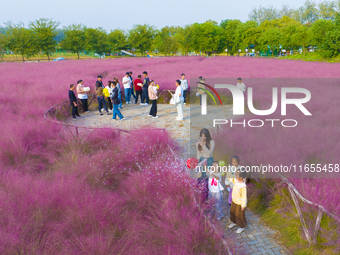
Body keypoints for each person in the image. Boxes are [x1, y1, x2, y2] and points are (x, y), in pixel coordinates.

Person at [228, 169, 248, 234]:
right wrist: (229, 173)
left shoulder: (243, 187)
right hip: (234, 201)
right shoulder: (236, 180)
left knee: (239, 215)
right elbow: (230, 178)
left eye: (237, 174)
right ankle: (234, 222)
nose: (235, 175)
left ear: (241, 177)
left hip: (239, 203)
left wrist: (243, 205)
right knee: (233, 212)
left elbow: (244, 197)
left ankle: (241, 227)